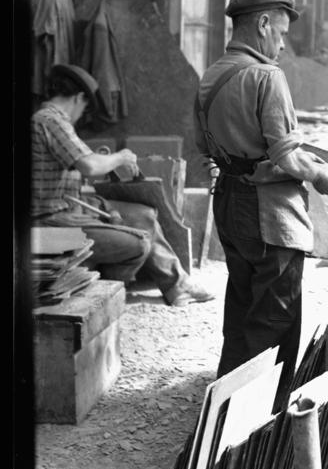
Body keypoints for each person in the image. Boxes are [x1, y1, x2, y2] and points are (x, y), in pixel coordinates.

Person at [195, 0, 328, 381]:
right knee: (275, 317)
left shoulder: (212, 74)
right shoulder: (267, 75)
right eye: (280, 34)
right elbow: (286, 154)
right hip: (268, 214)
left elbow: (204, 146)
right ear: (262, 24)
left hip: (228, 203)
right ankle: (262, 415)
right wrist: (322, 175)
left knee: (243, 304)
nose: (282, 46)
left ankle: (228, 395)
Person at [31, 64, 215, 306]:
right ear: (79, 98)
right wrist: (120, 157)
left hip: (68, 206)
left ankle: (176, 286)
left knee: (143, 215)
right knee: (139, 243)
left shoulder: (49, 120)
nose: (82, 113)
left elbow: (81, 162)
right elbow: (90, 166)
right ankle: (109, 292)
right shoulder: (51, 120)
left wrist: (104, 158)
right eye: (85, 106)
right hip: (51, 219)